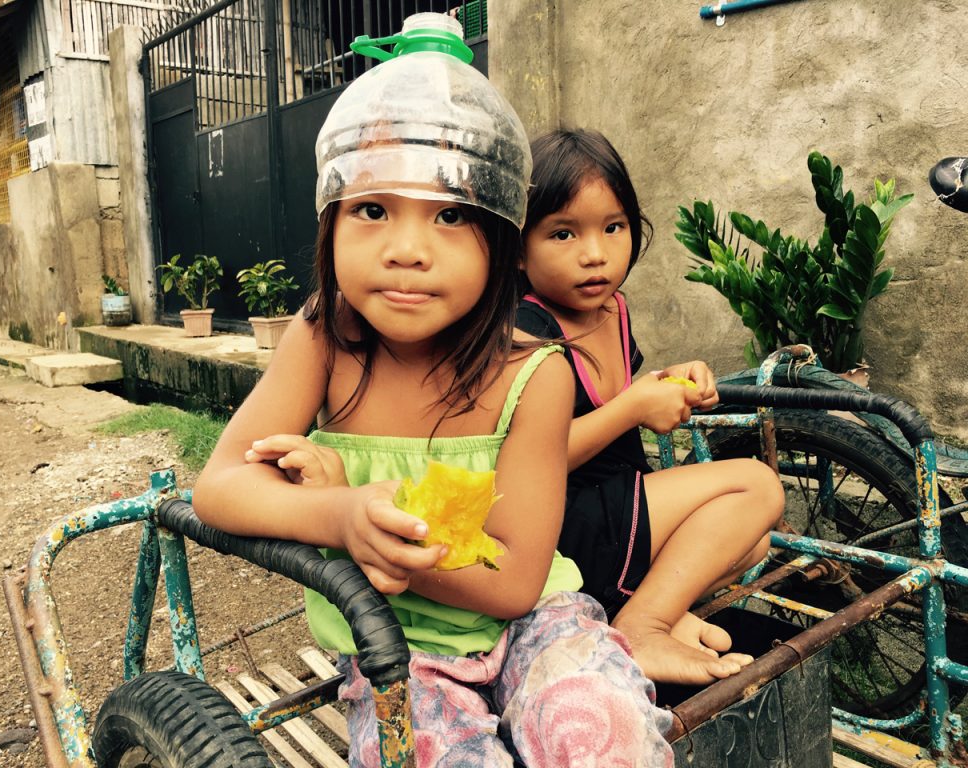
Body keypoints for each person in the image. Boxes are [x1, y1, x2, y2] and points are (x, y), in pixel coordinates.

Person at [193, 16, 674, 766]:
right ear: (330, 222)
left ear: (502, 240)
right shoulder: (324, 338)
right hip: (394, 650)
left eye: (449, 214)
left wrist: (378, 537)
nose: (407, 250)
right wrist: (340, 514)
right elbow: (220, 486)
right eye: (372, 209)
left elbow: (514, 585)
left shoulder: (534, 373)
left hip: (540, 625)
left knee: (603, 732)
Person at [516, 128, 785, 687]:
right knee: (758, 487)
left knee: (749, 539)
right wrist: (637, 405)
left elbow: (617, 398)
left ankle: (638, 607)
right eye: (563, 233)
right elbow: (530, 463)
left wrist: (671, 381)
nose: (595, 254)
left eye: (613, 227)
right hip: (560, 529)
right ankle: (644, 627)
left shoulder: (611, 309)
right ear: (518, 250)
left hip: (617, 502)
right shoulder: (525, 330)